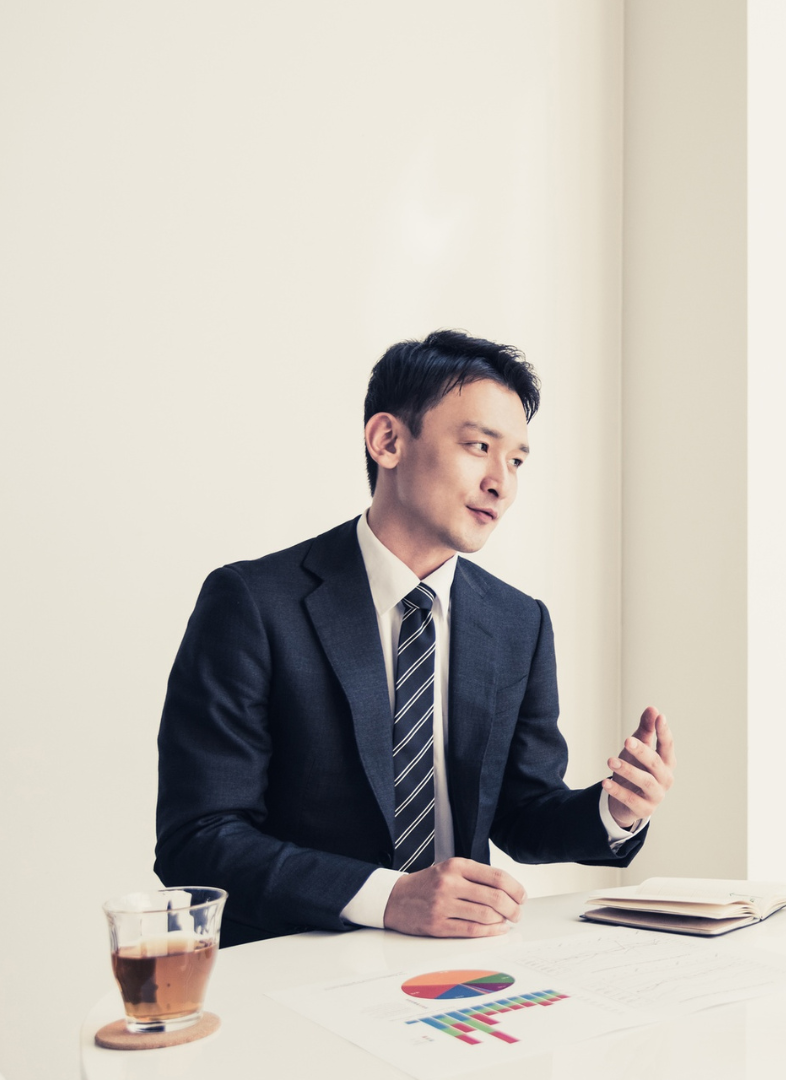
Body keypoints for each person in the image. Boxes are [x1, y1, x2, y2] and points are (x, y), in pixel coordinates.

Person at [156, 330, 677, 946]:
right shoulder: (252, 603)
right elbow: (199, 840)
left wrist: (612, 812)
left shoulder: (519, 622)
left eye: (516, 461)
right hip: (299, 966)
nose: (500, 483)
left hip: (468, 968)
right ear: (388, 440)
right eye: (479, 446)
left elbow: (522, 812)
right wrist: (390, 898)